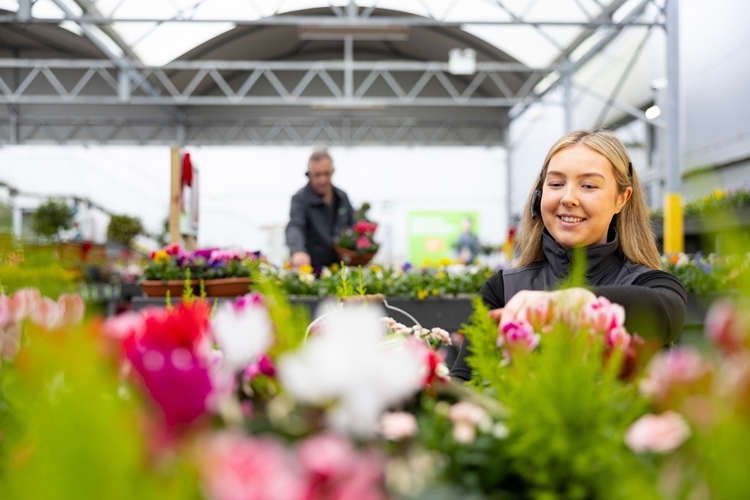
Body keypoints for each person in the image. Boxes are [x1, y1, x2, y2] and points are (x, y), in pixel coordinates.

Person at [450, 130, 686, 381]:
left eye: (588, 186)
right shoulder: (505, 289)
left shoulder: (648, 285)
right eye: (556, 184)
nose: (568, 198)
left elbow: (665, 310)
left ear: (621, 199)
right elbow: (463, 384)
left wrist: (570, 303)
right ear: (540, 194)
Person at [286, 148, 355, 268]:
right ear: (309, 174)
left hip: (341, 268)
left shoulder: (342, 197)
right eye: (317, 175)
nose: (322, 180)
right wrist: (298, 250)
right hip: (313, 270)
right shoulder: (301, 199)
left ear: (332, 171)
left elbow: (352, 227)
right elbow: (295, 226)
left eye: (326, 174)